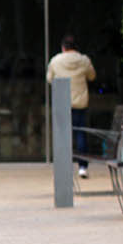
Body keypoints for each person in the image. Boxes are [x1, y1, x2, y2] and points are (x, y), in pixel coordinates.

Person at [46, 35, 97, 178]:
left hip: (63, 103)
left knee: (63, 136)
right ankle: (82, 167)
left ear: (63, 48)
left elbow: (50, 78)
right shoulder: (84, 60)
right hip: (80, 102)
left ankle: (64, 168)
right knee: (81, 134)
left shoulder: (56, 61)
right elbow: (92, 76)